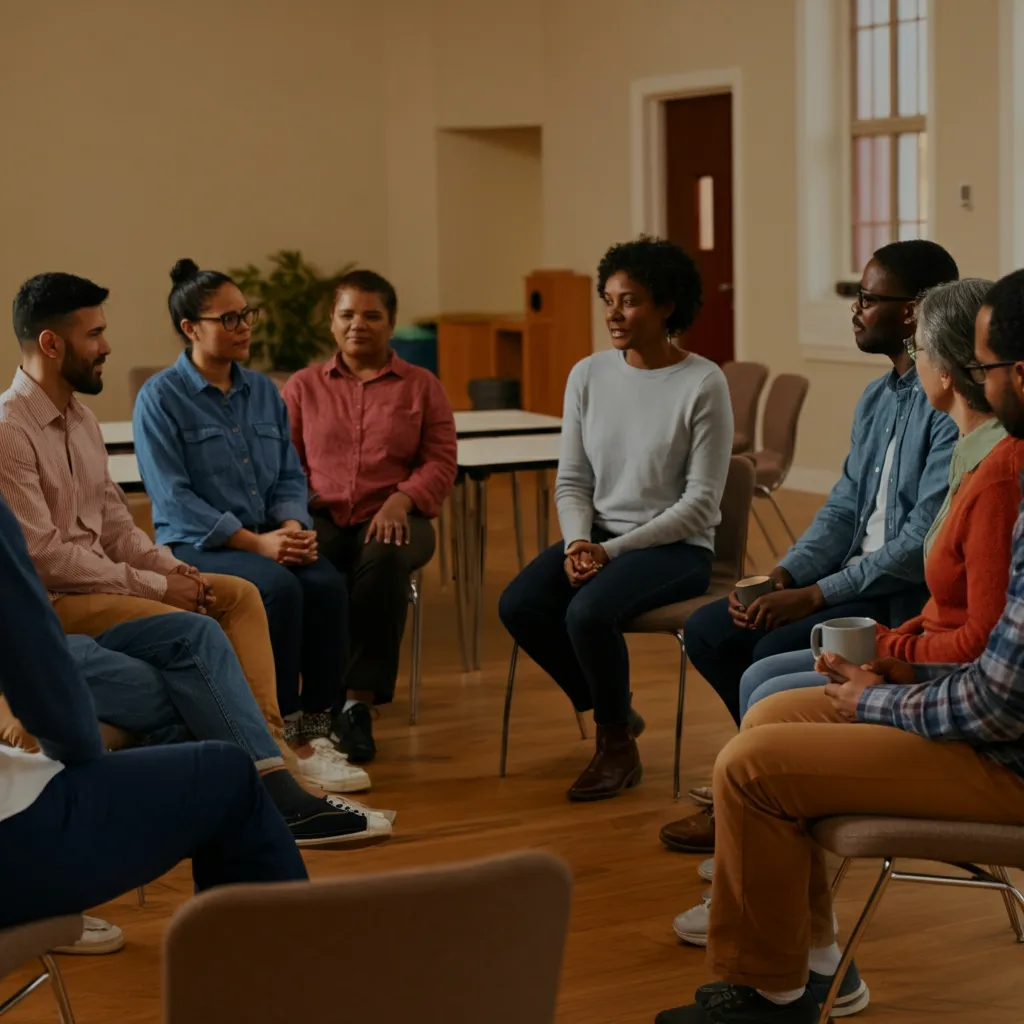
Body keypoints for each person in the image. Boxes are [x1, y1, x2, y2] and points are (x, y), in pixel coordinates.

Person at [653, 269, 1024, 1024]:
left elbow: (997, 699)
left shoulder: (1007, 473)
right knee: (771, 719)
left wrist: (878, 694)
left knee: (754, 765)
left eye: (986, 368)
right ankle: (809, 970)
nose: (979, 387)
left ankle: (772, 992)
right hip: (993, 732)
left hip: (1004, 759)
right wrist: (886, 663)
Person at [660, 240, 961, 857]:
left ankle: (768, 791)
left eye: (868, 298)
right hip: (854, 579)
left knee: (772, 646)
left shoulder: (947, 409)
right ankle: (765, 775)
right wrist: (781, 576)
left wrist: (814, 596)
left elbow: (916, 547)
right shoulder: (878, 398)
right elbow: (844, 508)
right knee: (712, 629)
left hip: (903, 596)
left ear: (914, 313)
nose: (855, 309)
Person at [0, 272, 311, 770]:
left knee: (240, 597)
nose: (106, 346)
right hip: (55, 600)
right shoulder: (9, 430)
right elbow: (45, 559)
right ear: (51, 343)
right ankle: (272, 773)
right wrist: (154, 587)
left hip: (101, 590)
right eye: (94, 334)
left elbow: (118, 526)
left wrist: (170, 571)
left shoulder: (82, 420)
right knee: (197, 634)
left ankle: (272, 750)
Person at [0, 491, 311, 931]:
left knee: (201, 637)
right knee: (228, 773)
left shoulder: (79, 430)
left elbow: (118, 530)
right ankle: (297, 974)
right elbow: (49, 695)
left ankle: (264, 754)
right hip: (14, 842)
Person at [498, 236, 734, 802]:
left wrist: (611, 553)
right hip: (599, 537)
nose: (613, 313)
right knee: (521, 605)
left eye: (629, 301)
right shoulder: (588, 375)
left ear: (666, 306)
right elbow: (574, 480)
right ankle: (617, 713)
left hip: (676, 548)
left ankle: (614, 749)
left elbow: (701, 506)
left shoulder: (703, 383)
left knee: (587, 613)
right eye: (608, 299)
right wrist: (580, 541)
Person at [133, 259, 362, 790]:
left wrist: (291, 525)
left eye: (246, 315)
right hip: (201, 546)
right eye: (229, 319)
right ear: (192, 328)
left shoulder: (262, 391)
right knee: (278, 591)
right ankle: (282, 736)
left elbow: (289, 471)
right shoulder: (160, 398)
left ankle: (317, 729)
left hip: (269, 537)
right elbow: (174, 498)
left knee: (327, 586)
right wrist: (257, 544)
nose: (245, 328)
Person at [0, 608, 391, 846]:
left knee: (201, 631)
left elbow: (112, 535)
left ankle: (277, 773)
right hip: (35, 633)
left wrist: (164, 574)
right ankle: (281, 783)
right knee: (201, 681)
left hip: (74, 611)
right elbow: (46, 562)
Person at [282, 270, 457, 762]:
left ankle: (357, 704)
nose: (359, 324)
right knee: (307, 569)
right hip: (321, 512)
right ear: (332, 324)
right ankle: (314, 704)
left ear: (392, 322)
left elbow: (441, 460)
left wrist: (402, 499)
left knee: (383, 560)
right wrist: (295, 516)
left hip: (399, 512)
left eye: (372, 315)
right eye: (347, 314)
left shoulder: (422, 387)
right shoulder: (301, 387)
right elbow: (285, 463)